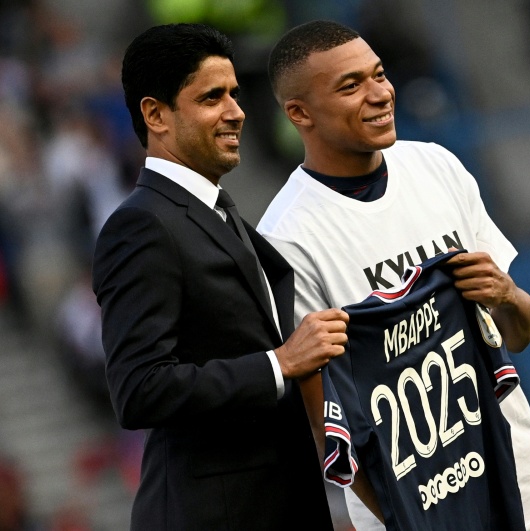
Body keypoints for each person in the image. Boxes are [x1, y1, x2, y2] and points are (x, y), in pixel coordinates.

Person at [258, 20, 530, 530]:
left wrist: (507, 296)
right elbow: (325, 428)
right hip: (418, 515)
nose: (380, 94)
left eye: (379, 74)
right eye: (350, 86)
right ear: (299, 113)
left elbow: (519, 334)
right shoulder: (286, 238)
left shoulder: (436, 166)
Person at [92, 23, 347, 530]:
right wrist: (279, 363)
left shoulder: (216, 213)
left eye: (234, 93)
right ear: (155, 115)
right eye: (212, 97)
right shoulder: (141, 225)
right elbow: (139, 388)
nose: (236, 111)